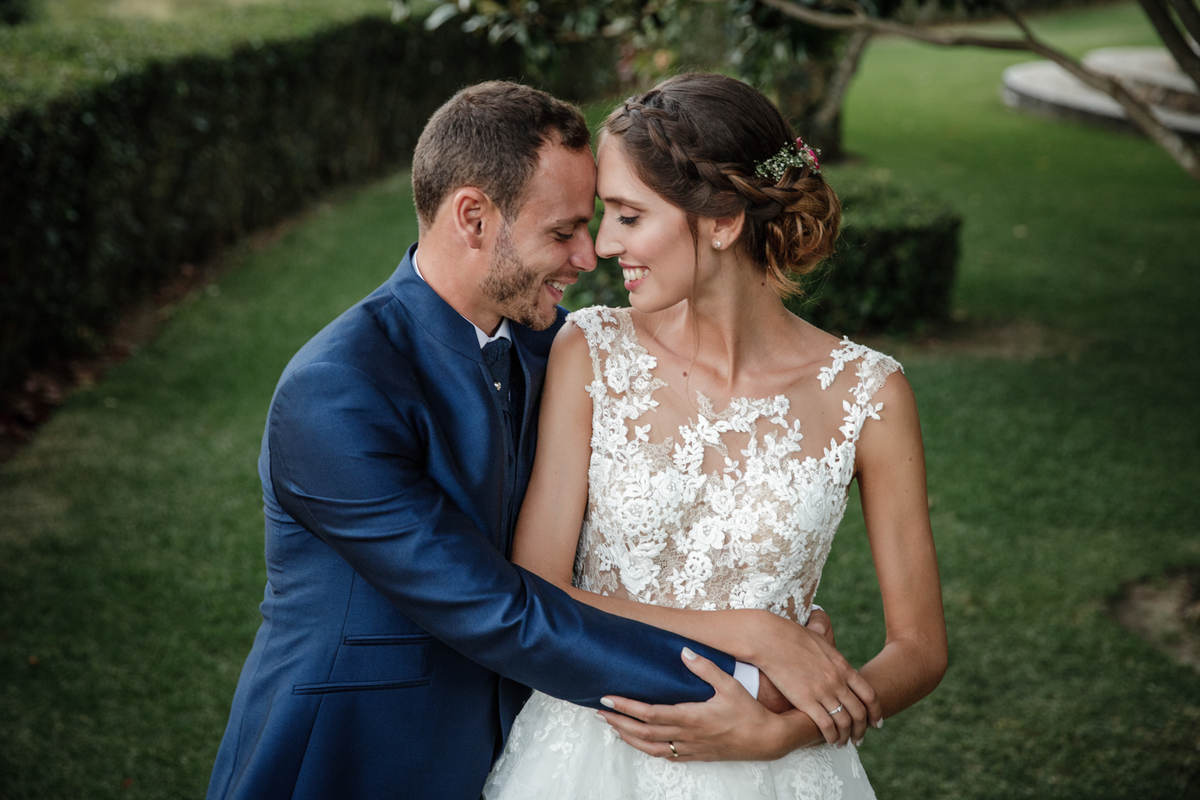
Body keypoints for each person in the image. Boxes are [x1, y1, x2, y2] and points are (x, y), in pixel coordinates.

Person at [206, 80, 879, 800]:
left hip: (525, 757)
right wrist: (755, 668)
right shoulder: (336, 391)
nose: (589, 257)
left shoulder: (559, 350)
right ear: (472, 218)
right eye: (563, 232)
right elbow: (503, 610)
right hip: (356, 760)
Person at [483, 73, 948, 799]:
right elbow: (538, 589)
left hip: (783, 771)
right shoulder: (592, 352)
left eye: (630, 217)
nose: (603, 245)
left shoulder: (869, 395)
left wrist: (782, 735)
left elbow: (919, 648)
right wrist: (754, 634)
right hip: (588, 757)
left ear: (723, 220)